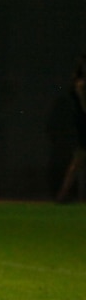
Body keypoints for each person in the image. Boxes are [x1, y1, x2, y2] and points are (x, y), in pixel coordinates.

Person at [56, 54, 86, 203]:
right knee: (78, 160)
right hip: (84, 124)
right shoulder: (81, 85)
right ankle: (63, 195)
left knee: (78, 161)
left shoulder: (78, 84)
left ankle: (63, 195)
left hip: (82, 123)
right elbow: (84, 107)